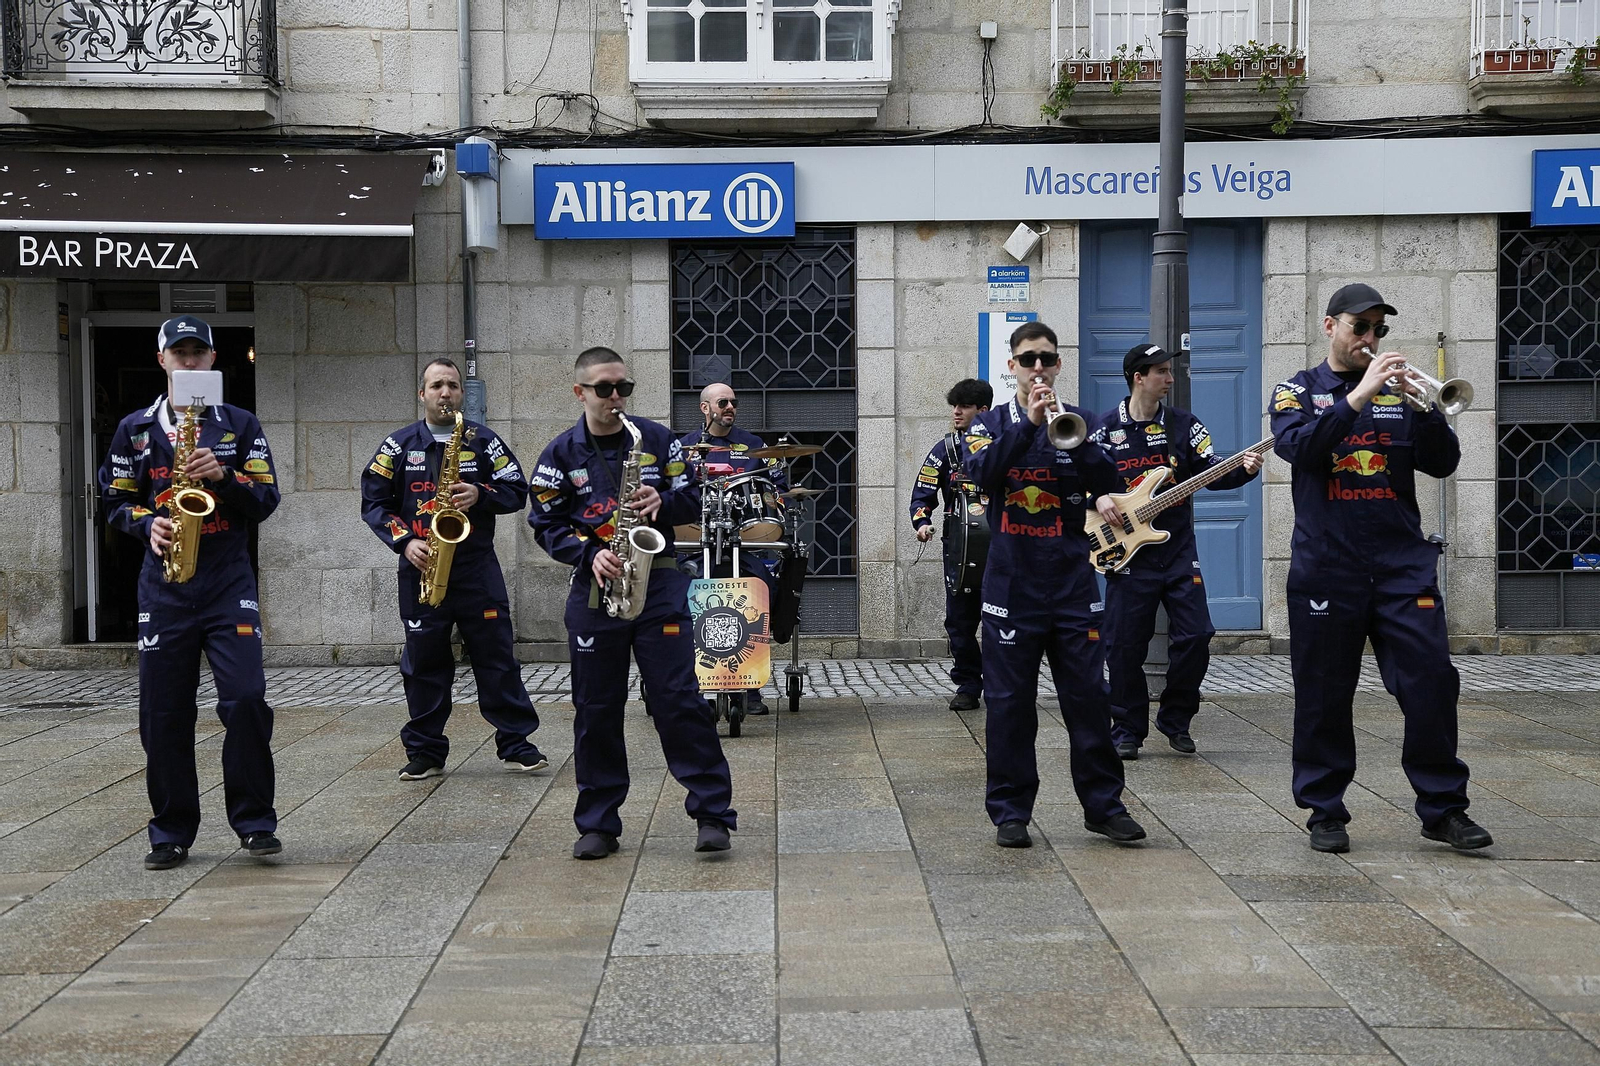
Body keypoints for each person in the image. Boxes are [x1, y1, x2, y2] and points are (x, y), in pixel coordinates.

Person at [1271, 282, 1490, 855]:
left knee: (1432, 684)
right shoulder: (1296, 391)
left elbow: (1441, 466)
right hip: (1326, 566)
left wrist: (1427, 411)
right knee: (1322, 692)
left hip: (1400, 565)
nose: (1369, 339)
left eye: (1378, 330)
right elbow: (1301, 450)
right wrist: (1360, 395)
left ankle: (1444, 810)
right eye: (1359, 327)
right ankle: (1324, 809)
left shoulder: (1401, 397)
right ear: (1329, 326)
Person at [529, 346, 738, 859]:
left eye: (624, 387)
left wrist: (663, 501)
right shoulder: (559, 454)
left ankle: (712, 814)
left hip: (659, 583)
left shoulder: (656, 439)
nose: (616, 397)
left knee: (680, 701)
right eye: (604, 389)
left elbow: (694, 497)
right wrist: (586, 554)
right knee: (595, 709)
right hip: (595, 588)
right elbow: (545, 523)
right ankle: (598, 823)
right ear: (580, 392)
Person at [100, 315, 282, 871]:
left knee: (247, 700)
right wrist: (144, 522)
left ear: (212, 359)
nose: (189, 362)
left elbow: (268, 499)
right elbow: (114, 500)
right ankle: (171, 831)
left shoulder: (240, 424)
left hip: (228, 585)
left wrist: (226, 480)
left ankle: (253, 823)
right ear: (162, 361)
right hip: (166, 589)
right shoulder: (136, 428)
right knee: (163, 714)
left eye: (198, 353)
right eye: (178, 353)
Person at [962, 321, 1145, 849]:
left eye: (1046, 359)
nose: (1038, 369)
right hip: (1011, 587)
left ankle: (1104, 807)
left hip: (1072, 584)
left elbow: (1111, 483)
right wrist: (1028, 427)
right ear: (1012, 366)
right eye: (1028, 360)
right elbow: (981, 474)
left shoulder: (1086, 421)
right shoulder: (990, 423)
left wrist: (1074, 437)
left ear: (1058, 364)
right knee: (1009, 704)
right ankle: (1011, 812)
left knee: (1090, 699)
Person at [359, 358, 548, 782]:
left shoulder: (484, 442)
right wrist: (405, 541)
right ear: (422, 394)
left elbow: (519, 490)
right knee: (423, 662)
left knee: (496, 657)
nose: (445, 393)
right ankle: (425, 751)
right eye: (437, 386)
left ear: (462, 394)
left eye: (453, 386)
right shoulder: (397, 446)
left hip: (476, 568)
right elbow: (373, 504)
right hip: (421, 567)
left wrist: (480, 493)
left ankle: (516, 743)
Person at [1091, 344, 1262, 760]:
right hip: (1127, 555)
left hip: (1179, 551)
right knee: (1124, 644)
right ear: (1139, 377)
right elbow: (1080, 477)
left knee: (1198, 634)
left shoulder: (1186, 425)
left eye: (1169, 371)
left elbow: (1210, 470)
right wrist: (1098, 499)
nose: (1170, 378)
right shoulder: (1103, 428)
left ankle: (1176, 718)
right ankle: (1127, 729)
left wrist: (1243, 469)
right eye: (1162, 372)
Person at [678, 381, 787, 715]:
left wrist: (777, 498)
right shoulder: (683, 448)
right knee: (680, 602)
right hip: (695, 544)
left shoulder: (753, 444)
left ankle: (749, 691)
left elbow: (777, 484)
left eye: (734, 403)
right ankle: (694, 686)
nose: (730, 408)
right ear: (705, 408)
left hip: (744, 544)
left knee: (759, 594)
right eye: (723, 402)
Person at [909, 378, 993, 712]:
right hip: (959, 552)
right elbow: (922, 492)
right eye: (954, 406)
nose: (956, 412)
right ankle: (969, 685)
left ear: (982, 411)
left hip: (1002, 551)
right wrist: (922, 522)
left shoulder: (1003, 445)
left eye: (964, 407)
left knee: (1003, 622)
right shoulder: (946, 449)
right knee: (959, 623)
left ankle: (1003, 686)